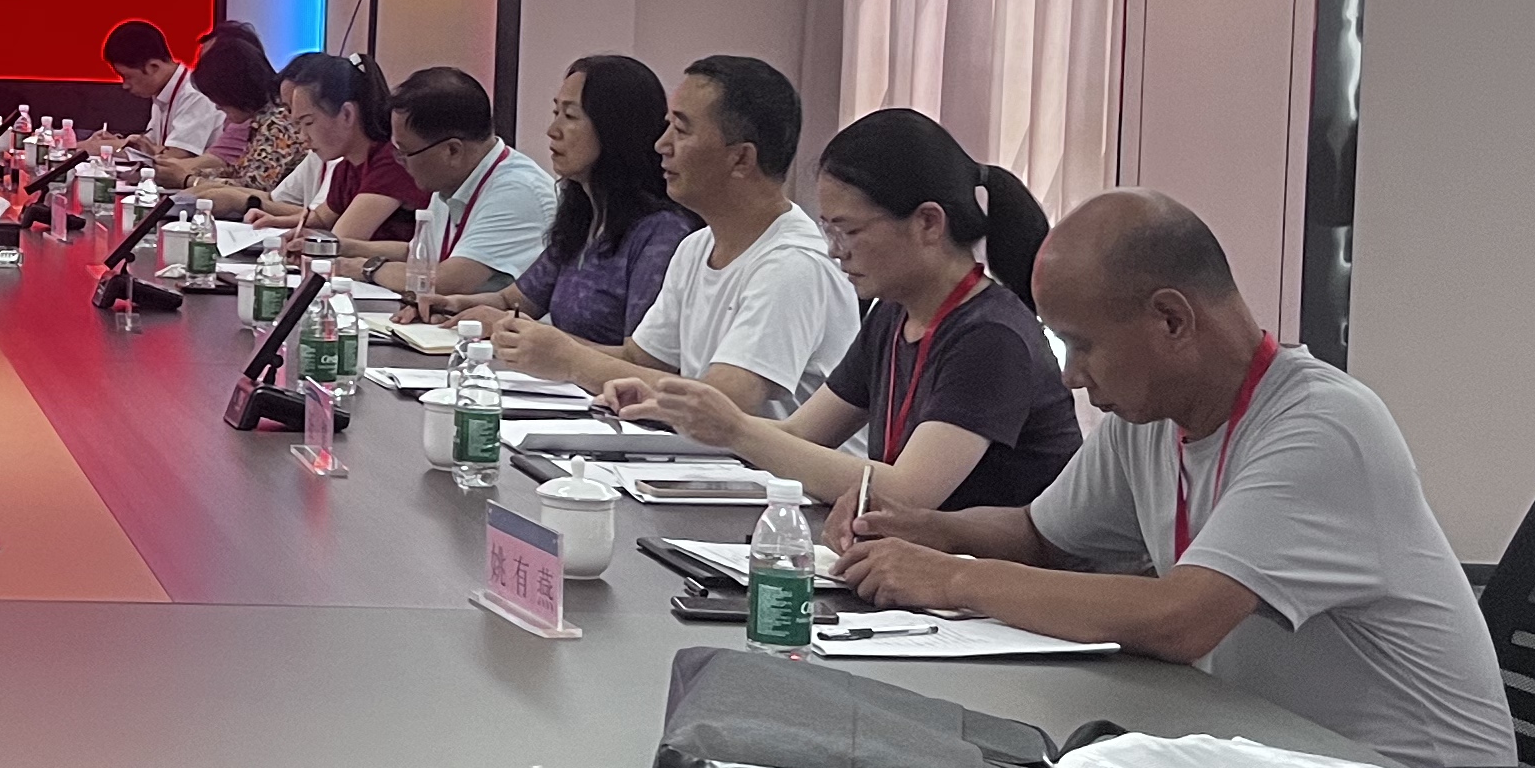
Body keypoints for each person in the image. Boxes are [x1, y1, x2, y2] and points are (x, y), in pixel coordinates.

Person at [839, 191, 1516, 768]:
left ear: (1171, 320)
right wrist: (926, 530)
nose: (1071, 375)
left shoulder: (1322, 427)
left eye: (1082, 344)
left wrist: (951, 578)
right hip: (1280, 767)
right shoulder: (1152, 417)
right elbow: (1040, 537)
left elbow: (1180, 620)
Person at [609, 107, 1079, 517]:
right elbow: (800, 434)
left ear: (928, 223)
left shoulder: (990, 336)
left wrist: (735, 429)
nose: (835, 251)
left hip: (993, 579)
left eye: (848, 231)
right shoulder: (893, 314)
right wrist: (679, 411)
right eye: (828, 231)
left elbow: (908, 493)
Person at [500, 53, 854, 412]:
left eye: (681, 131)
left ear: (741, 159)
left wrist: (572, 361)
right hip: (688, 447)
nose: (661, 145)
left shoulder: (792, 264)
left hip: (752, 452)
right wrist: (543, 347)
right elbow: (641, 360)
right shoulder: (696, 246)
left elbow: (728, 399)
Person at [437, 55, 692, 346]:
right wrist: (453, 305)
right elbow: (513, 301)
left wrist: (528, 333)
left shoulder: (661, 232)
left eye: (570, 116)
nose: (552, 130)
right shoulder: (585, 216)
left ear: (615, 128)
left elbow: (640, 358)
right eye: (556, 112)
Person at [363, 66, 559, 297]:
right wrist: (343, 248)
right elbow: (419, 255)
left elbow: (445, 282)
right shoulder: (453, 179)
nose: (400, 162)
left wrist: (363, 268)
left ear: (452, 151)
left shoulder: (519, 193)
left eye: (405, 152)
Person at [234, 51, 419, 245]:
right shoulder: (346, 167)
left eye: (308, 122)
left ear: (347, 114)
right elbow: (321, 218)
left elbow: (342, 238)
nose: (303, 137)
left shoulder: (391, 163)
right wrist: (273, 222)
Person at [150, 21, 281, 188]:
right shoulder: (259, 118)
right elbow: (235, 171)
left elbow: (252, 187)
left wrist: (187, 180)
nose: (218, 107)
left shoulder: (278, 122)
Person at [102, 18, 227, 166]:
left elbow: (176, 157)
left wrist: (103, 147)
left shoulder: (195, 93)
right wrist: (118, 142)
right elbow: (149, 146)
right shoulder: (162, 92)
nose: (125, 86)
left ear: (153, 66)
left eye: (127, 77)